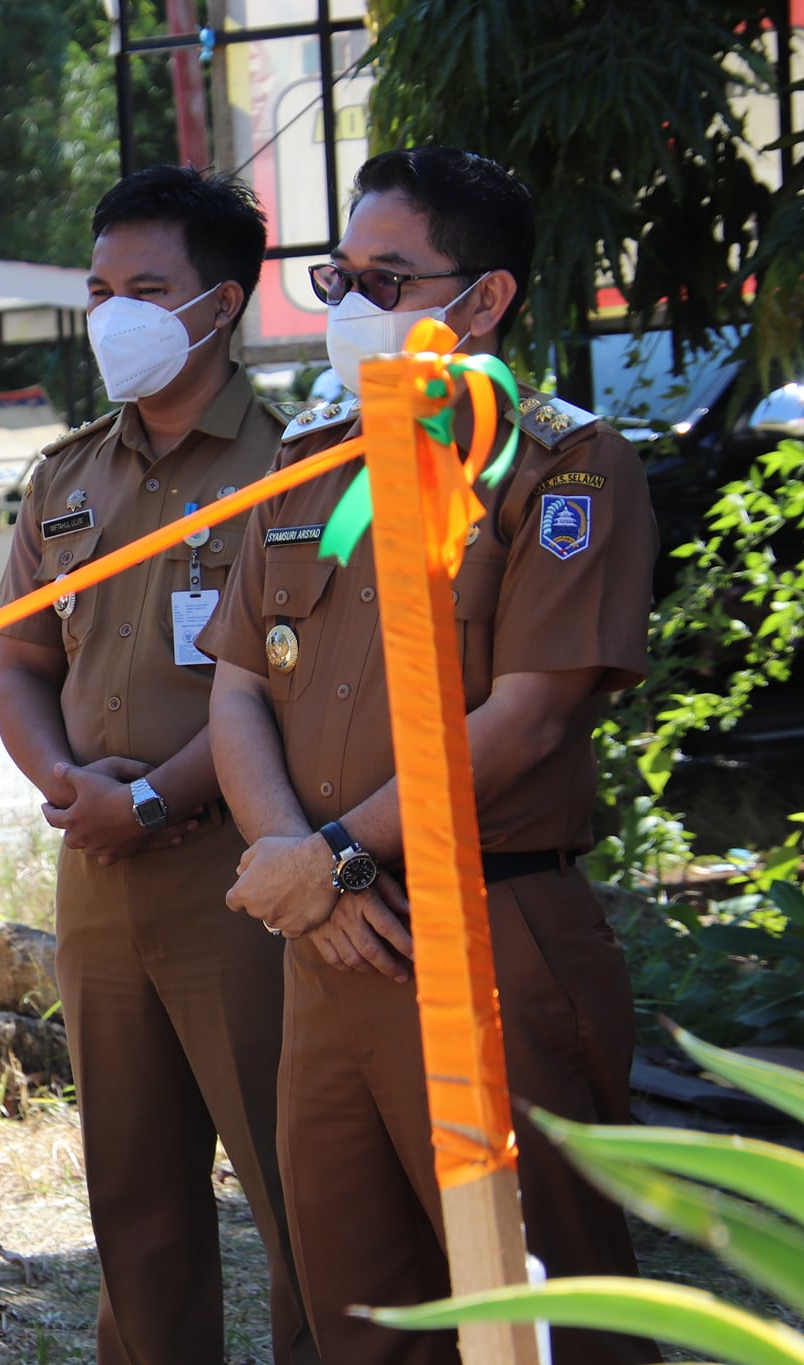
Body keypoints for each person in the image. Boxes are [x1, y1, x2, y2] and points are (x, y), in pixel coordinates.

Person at [197, 145, 659, 1365]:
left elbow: (528, 717)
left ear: (485, 298)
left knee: (543, 1311)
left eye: (387, 280)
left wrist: (336, 857)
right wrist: (297, 865)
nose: (353, 309)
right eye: (339, 278)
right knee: (362, 1317)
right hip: (328, 948)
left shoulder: (559, 464)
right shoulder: (313, 455)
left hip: (486, 934)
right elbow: (239, 681)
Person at [0, 165, 315, 1365]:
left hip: (250, 873)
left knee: (300, 1190)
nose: (111, 313)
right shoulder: (67, 476)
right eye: (97, 288)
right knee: (132, 1199)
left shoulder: (297, 458)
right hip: (100, 874)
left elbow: (295, 681)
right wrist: (63, 785)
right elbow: (18, 661)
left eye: (144, 288)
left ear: (220, 304)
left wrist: (150, 795)